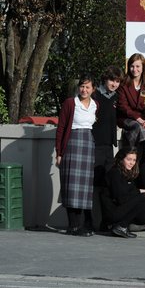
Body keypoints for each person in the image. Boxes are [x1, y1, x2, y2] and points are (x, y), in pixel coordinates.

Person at [55, 74, 98, 237]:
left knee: (84, 188)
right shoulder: (70, 103)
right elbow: (61, 128)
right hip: (72, 144)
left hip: (88, 145)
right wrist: (59, 152)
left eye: (88, 87)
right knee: (71, 186)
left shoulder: (95, 105)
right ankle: (73, 226)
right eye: (82, 86)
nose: (84, 90)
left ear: (93, 89)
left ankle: (81, 225)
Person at [92, 66, 124, 231]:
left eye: (117, 81)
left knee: (107, 184)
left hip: (109, 146)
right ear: (105, 79)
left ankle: (105, 222)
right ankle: (91, 222)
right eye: (112, 80)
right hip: (95, 144)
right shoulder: (94, 95)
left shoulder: (116, 97)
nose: (114, 84)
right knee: (94, 184)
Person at [105, 147, 145, 238]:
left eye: (134, 160)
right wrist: (138, 192)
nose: (131, 163)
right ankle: (120, 226)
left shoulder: (127, 173)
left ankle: (122, 226)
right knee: (144, 197)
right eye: (128, 159)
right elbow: (120, 198)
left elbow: (128, 194)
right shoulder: (115, 173)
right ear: (121, 159)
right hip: (113, 212)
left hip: (121, 208)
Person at [117, 53, 145, 148]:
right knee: (137, 127)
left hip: (144, 118)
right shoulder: (123, 84)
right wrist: (138, 119)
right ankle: (133, 152)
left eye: (137, 66)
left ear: (143, 67)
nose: (134, 69)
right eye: (132, 66)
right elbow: (123, 106)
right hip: (126, 118)